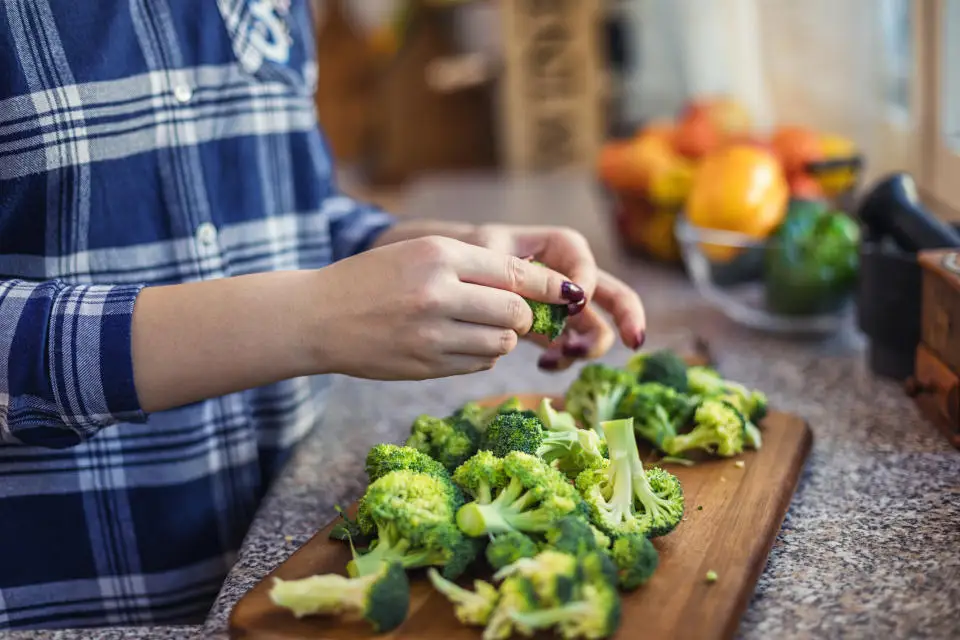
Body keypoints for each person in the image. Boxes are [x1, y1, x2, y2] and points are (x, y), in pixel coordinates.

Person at [0, 0, 646, 630]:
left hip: (301, 546)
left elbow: (291, 211)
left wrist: (446, 255)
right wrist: (309, 317)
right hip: (81, 601)